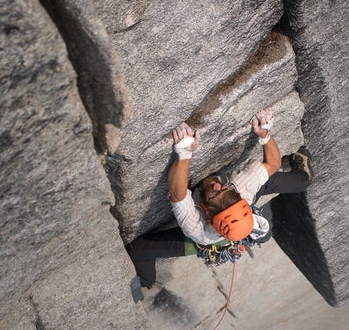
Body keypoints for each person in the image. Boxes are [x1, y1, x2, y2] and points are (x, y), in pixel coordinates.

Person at [127, 109, 311, 288]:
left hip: (209, 237)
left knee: (139, 250)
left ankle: (146, 282)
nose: (216, 186)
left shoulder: (198, 228)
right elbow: (272, 164)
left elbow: (178, 194)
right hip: (241, 205)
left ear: (205, 211)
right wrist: (264, 134)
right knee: (299, 183)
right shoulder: (241, 188)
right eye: (222, 188)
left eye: (214, 194)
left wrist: (184, 153)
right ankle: (304, 178)